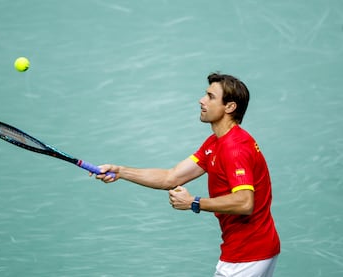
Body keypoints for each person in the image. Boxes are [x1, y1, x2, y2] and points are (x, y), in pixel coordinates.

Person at [92, 72, 280, 276]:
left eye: (210, 96)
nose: (201, 100)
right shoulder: (214, 144)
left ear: (230, 107)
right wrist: (121, 171)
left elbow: (245, 203)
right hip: (253, 248)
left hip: (247, 255)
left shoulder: (234, 149)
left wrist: (194, 202)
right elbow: (170, 177)